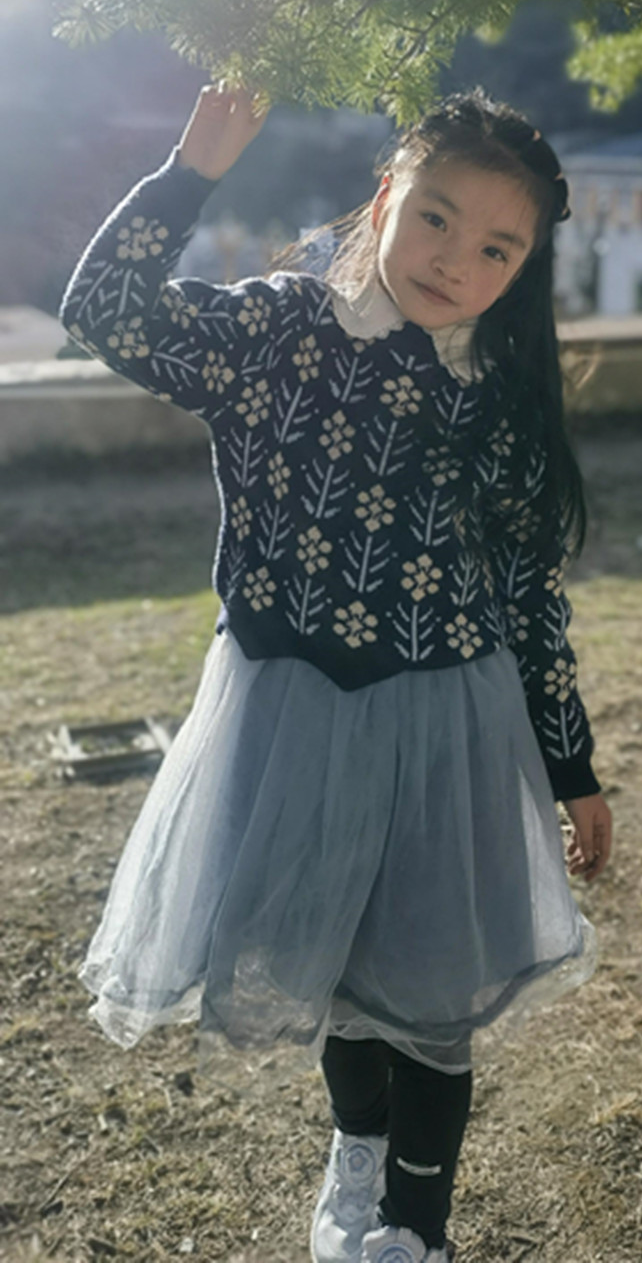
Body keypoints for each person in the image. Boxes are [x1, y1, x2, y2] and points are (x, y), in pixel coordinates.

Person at [59, 83, 612, 1263]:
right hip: (287, 717)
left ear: (523, 269)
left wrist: (572, 767)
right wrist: (192, 169)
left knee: (431, 990)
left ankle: (417, 1224)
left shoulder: (498, 397)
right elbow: (104, 312)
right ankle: (356, 1152)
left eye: (497, 247)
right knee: (334, 971)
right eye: (436, 216)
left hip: (446, 729)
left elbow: (528, 597)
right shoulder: (280, 332)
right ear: (384, 196)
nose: (456, 259)